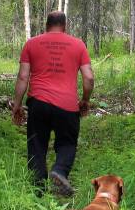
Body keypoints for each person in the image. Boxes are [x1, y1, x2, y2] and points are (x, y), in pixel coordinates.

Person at [11, 11, 94, 196]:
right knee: (67, 143)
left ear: (46, 25)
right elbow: (88, 77)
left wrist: (17, 105)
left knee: (37, 145)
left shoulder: (31, 44)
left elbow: (23, 76)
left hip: (38, 103)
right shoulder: (78, 45)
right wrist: (85, 100)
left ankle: (38, 191)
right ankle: (60, 171)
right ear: (65, 26)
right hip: (67, 105)